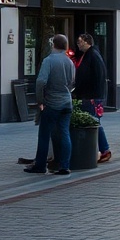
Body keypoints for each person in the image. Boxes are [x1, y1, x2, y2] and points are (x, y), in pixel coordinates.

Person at [25, 34, 75, 176]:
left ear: (53, 44)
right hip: (67, 102)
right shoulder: (69, 62)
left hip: (52, 103)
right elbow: (72, 82)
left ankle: (40, 165)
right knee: (65, 133)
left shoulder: (49, 60)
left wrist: (40, 100)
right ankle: (64, 166)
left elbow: (41, 81)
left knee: (44, 134)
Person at [74, 33, 111, 163]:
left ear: (87, 42)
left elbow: (95, 77)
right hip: (90, 96)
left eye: (80, 41)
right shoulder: (89, 55)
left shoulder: (93, 56)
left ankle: (105, 149)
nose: (78, 44)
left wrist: (93, 96)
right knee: (94, 121)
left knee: (94, 122)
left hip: (91, 97)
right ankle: (102, 149)